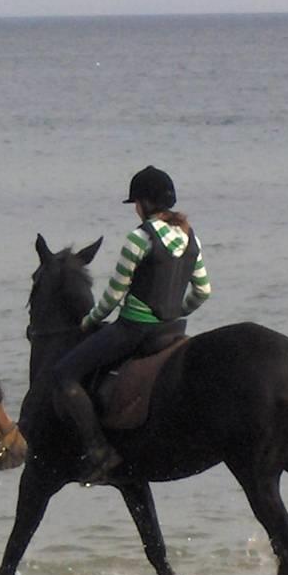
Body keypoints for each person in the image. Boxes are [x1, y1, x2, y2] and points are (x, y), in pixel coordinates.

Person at [52, 166, 211, 483]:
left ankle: (99, 451)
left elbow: (114, 295)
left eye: (136, 202)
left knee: (63, 374)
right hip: (172, 331)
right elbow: (203, 291)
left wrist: (90, 320)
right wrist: (176, 312)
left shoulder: (139, 239)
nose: (136, 209)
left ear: (145, 204)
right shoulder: (190, 236)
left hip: (134, 330)